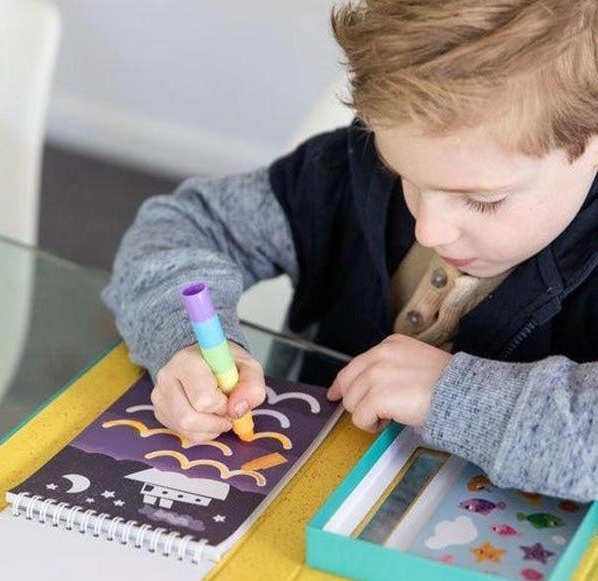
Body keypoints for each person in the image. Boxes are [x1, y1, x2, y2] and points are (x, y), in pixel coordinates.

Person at [103, 0, 598, 501]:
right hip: (297, 496)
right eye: (402, 175)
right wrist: (184, 342)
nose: (429, 229)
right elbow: (182, 227)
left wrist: (453, 397)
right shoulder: (344, 170)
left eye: (482, 200)